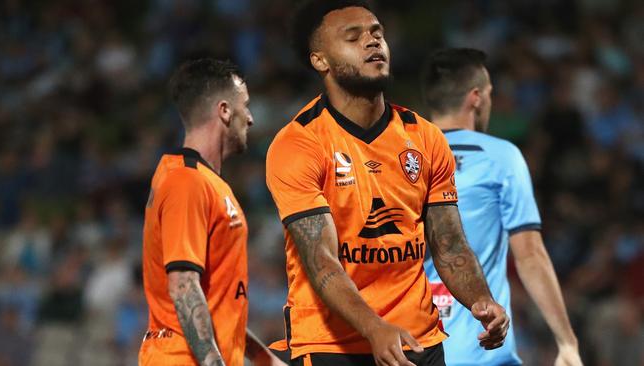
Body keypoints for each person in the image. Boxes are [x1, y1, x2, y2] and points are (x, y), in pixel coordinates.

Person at [265, 2, 509, 365]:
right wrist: (375, 328)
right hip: (332, 346)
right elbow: (323, 262)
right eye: (353, 36)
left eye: (377, 33)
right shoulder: (300, 143)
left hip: (417, 341)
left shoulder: (425, 137)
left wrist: (481, 299)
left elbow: (449, 245)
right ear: (320, 61)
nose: (372, 42)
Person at [421, 48, 583, 366]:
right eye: (492, 94)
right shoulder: (500, 157)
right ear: (476, 97)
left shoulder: (400, 159)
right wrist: (566, 342)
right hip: (481, 353)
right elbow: (530, 254)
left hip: (415, 349)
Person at [139, 58, 284, 366]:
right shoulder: (185, 182)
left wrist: (266, 360)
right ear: (224, 111)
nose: (251, 118)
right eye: (245, 105)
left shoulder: (206, 182)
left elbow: (218, 302)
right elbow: (183, 285)